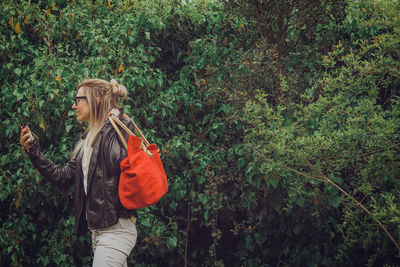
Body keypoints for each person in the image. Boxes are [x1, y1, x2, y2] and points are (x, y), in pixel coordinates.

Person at [20, 78, 138, 267]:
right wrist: (33, 151)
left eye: (78, 100)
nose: (74, 106)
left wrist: (111, 122)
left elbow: (118, 162)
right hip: (98, 234)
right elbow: (62, 178)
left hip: (117, 231)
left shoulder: (120, 127)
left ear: (96, 100)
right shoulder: (86, 142)